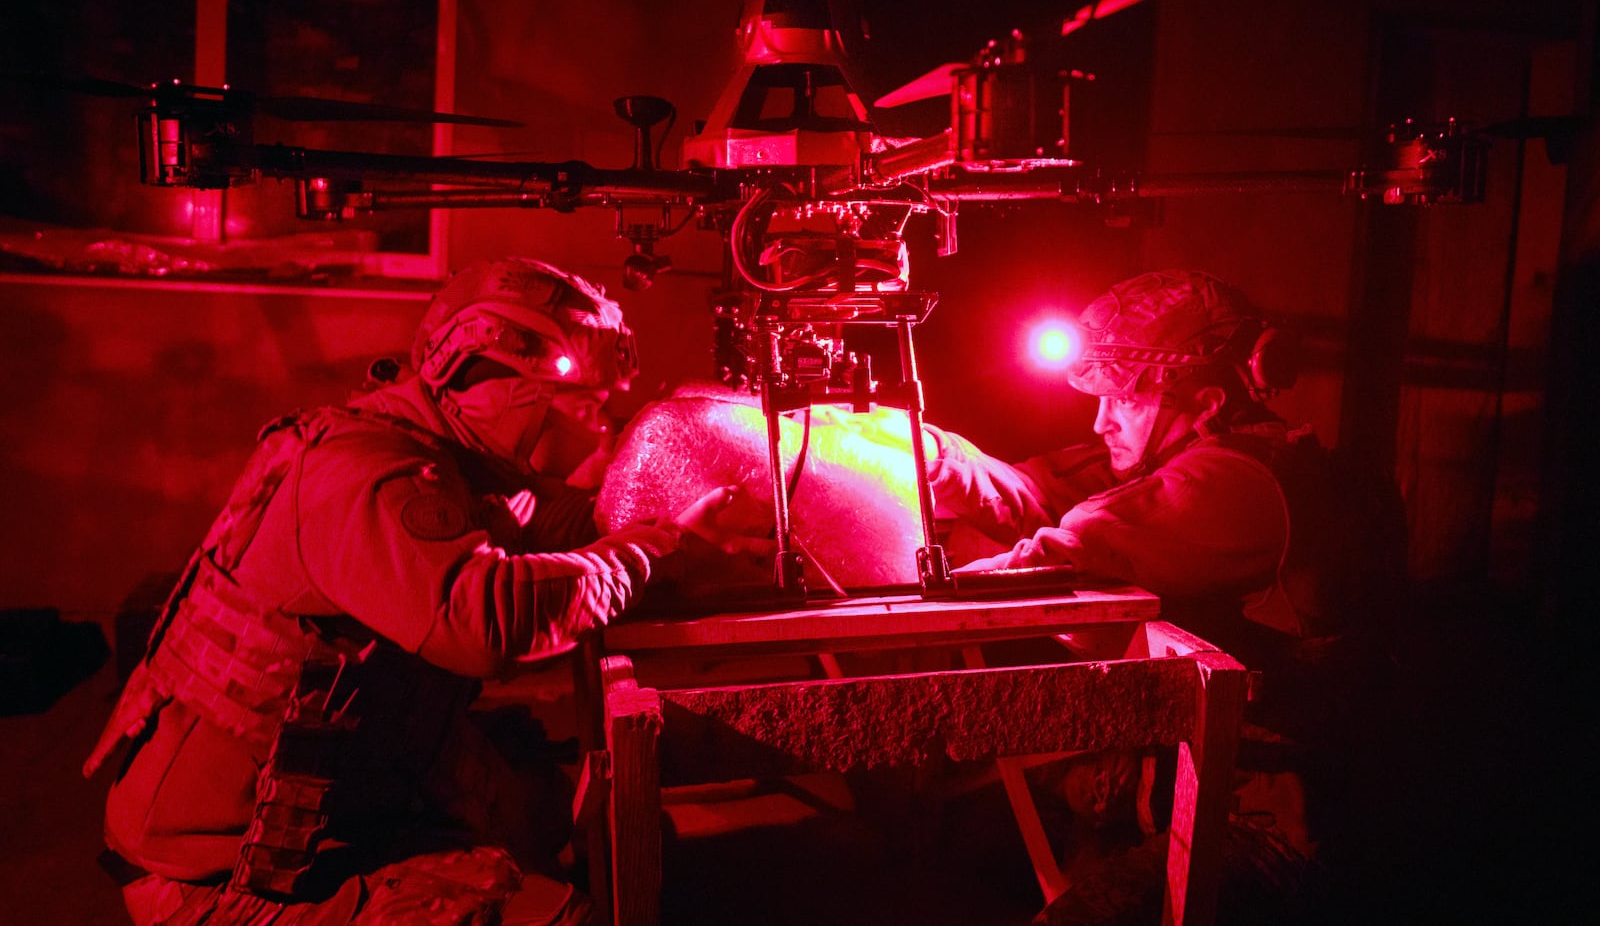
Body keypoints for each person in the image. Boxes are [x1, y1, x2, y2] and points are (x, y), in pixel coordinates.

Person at [84, 257, 766, 926]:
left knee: (539, 805)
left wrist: (665, 510)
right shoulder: (369, 475)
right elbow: (485, 617)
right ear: (492, 381)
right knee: (555, 912)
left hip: (301, 811)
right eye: (582, 404)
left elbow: (550, 517)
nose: (597, 426)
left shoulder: (443, 456)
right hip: (219, 876)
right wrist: (652, 548)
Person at [923, 269, 1405, 923]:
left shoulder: (1236, 483)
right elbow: (1035, 493)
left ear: (1205, 401)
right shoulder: (1193, 458)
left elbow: (1073, 546)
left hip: (1275, 830)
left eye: (1123, 400)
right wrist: (921, 456)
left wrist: (915, 577)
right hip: (1196, 800)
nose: (1100, 421)